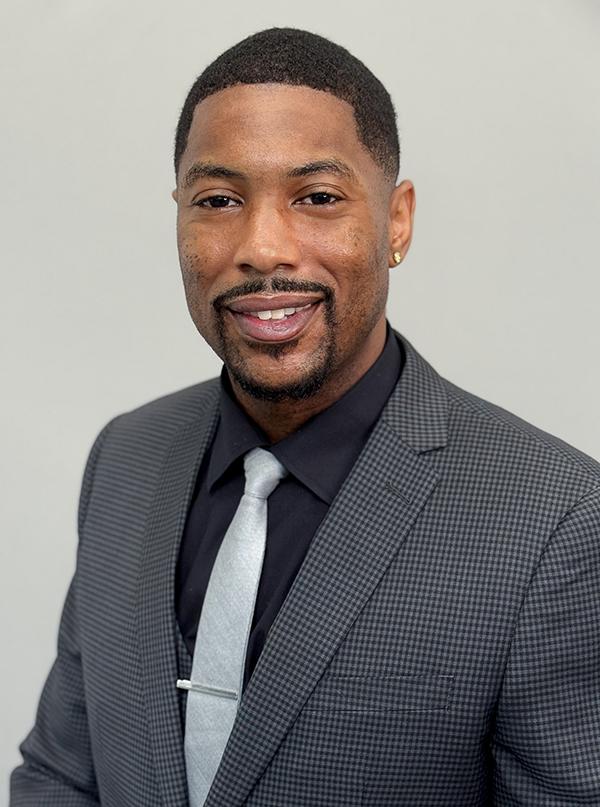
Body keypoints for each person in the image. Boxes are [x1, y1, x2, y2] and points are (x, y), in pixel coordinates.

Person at [10, 26, 600, 807]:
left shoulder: (556, 520)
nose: (261, 246)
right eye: (218, 200)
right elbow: (60, 773)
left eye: (317, 197)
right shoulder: (124, 456)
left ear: (396, 222)